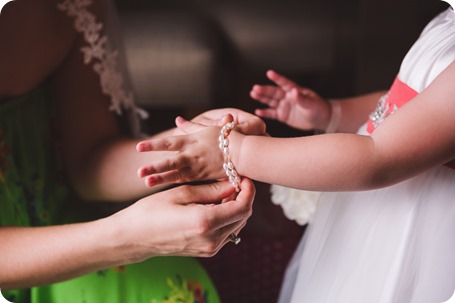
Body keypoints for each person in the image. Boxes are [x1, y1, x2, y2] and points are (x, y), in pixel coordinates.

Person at [136, 2, 455, 302]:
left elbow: (377, 158)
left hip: (411, 233)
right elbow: (406, 107)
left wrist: (237, 150)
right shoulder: (447, 24)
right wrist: (332, 113)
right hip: (373, 214)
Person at [0, 0, 262, 302]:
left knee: (176, 291)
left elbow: (89, 161)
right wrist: (130, 238)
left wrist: (188, 145)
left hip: (59, 216)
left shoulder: (74, 5)